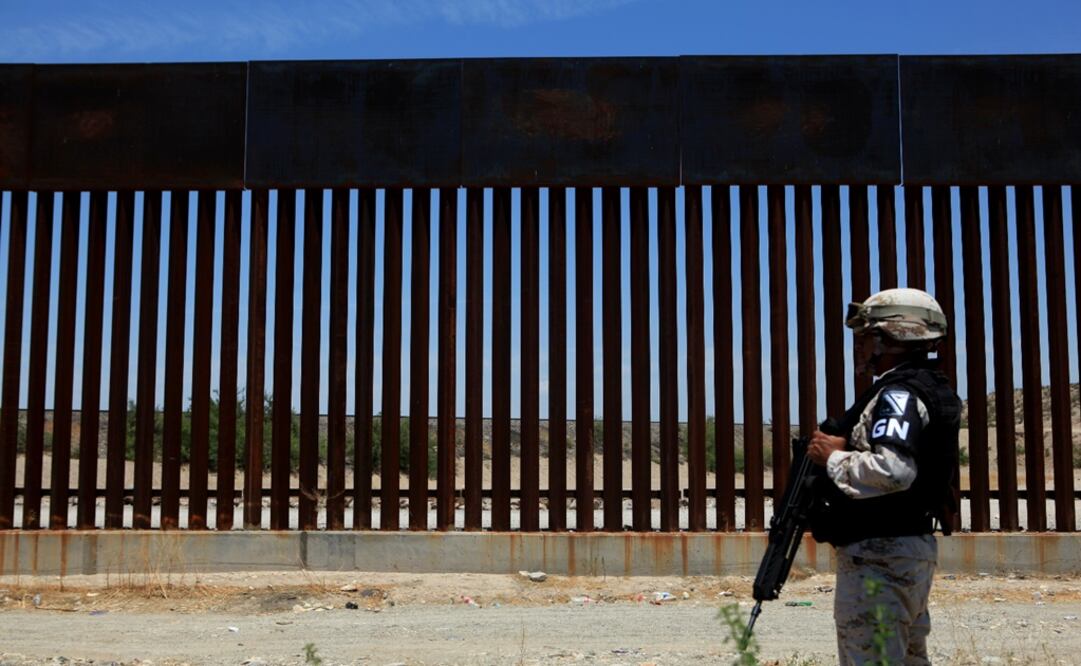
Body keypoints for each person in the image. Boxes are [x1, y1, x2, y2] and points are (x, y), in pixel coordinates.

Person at [806, 287, 962, 666]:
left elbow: (894, 471)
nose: (860, 347)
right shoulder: (926, 386)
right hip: (907, 550)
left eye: (866, 337)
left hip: (880, 556)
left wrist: (834, 459)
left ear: (892, 338)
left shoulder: (898, 394)